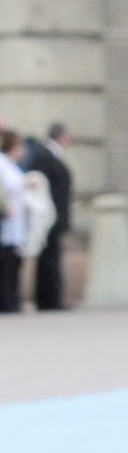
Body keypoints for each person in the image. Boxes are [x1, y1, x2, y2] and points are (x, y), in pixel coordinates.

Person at [19, 123, 73, 311]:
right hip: (48, 216)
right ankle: (49, 300)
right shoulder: (45, 155)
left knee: (51, 258)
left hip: (53, 216)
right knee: (48, 259)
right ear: (61, 137)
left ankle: (51, 298)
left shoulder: (51, 155)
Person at [0, 128, 25, 315]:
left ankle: (12, 301)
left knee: (13, 265)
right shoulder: (3, 163)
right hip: (7, 221)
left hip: (15, 221)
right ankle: (8, 303)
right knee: (6, 267)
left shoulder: (11, 164)